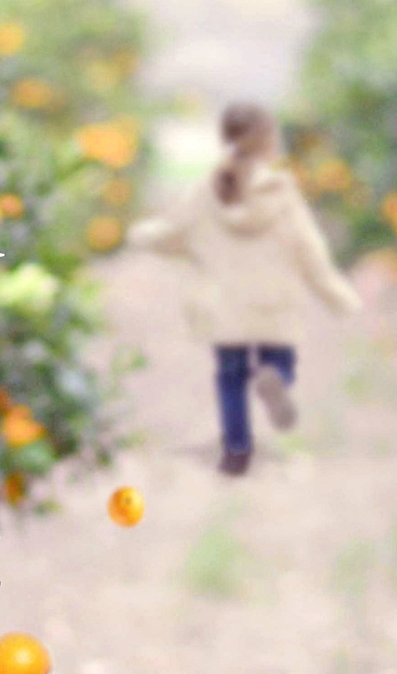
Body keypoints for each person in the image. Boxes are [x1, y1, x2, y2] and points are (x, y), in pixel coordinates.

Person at [127, 104, 362, 474]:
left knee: (230, 378)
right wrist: (337, 294)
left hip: (224, 306)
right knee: (279, 360)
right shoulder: (280, 190)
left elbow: (172, 232)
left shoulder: (207, 190)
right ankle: (275, 378)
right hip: (273, 303)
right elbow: (308, 247)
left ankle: (237, 450)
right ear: (269, 143)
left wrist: (139, 235)